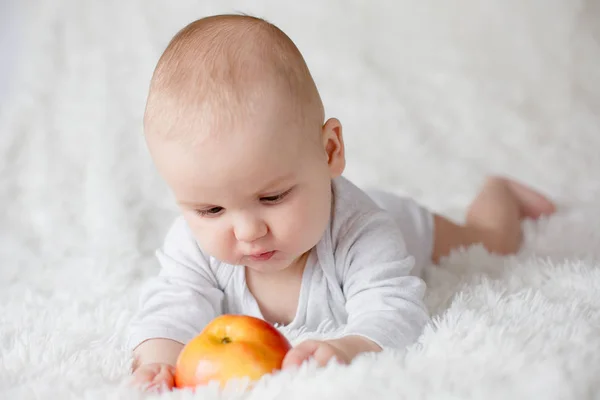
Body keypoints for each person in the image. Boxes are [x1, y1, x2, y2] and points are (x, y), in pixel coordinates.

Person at [126, 14, 556, 391]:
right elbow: (171, 305)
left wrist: (351, 347)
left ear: (330, 151)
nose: (247, 231)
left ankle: (500, 191)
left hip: (405, 222)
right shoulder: (193, 243)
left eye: (272, 197)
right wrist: (159, 361)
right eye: (210, 210)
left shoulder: (364, 234)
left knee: (492, 241)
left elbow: (395, 309)